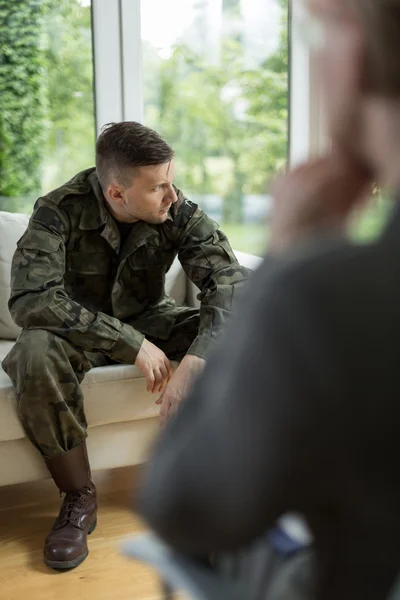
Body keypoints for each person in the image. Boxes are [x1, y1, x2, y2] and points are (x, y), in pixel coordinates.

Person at [138, 1, 400, 599]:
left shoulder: (330, 297)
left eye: (316, 30)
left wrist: (285, 260)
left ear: (355, 50)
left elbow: (180, 503)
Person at [2, 121, 250, 571]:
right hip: (74, 333)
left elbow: (230, 281)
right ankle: (78, 497)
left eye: (170, 181)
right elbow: (31, 301)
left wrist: (196, 357)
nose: (171, 196)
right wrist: (128, 342)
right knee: (33, 351)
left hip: (152, 319)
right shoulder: (57, 210)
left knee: (248, 329)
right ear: (117, 193)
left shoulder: (177, 208)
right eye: (157, 187)